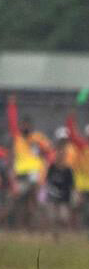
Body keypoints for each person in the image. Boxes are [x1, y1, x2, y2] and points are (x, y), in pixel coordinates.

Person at [5, 96, 54, 229]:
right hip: (20, 175)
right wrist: (11, 105)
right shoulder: (17, 138)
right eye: (23, 125)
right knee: (14, 199)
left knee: (35, 199)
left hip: (35, 174)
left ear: (31, 126)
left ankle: (40, 226)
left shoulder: (37, 138)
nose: (25, 127)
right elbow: (12, 122)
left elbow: (50, 152)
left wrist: (46, 164)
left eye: (27, 124)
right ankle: (14, 225)